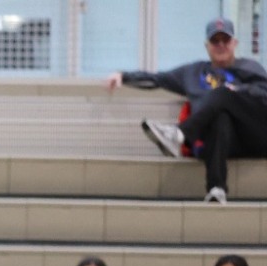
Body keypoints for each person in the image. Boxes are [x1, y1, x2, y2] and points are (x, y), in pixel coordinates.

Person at [111, 17, 267, 205]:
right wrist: (123, 75)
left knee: (223, 94)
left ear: (234, 43)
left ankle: (179, 134)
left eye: (225, 40)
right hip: (221, 142)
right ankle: (216, 189)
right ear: (206, 45)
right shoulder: (193, 73)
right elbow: (157, 79)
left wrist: (237, 91)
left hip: (256, 136)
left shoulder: (250, 67)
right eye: (215, 41)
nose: (220, 45)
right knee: (220, 118)